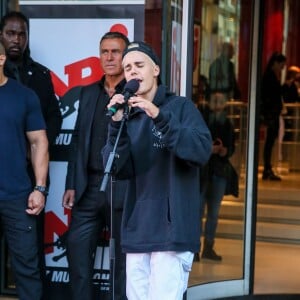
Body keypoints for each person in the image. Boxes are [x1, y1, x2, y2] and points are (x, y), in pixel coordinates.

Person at [102, 41, 212, 300]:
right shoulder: (126, 115)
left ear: (156, 70)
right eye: (128, 68)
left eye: (139, 65)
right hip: (137, 231)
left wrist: (158, 116)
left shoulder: (181, 107)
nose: (133, 72)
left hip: (171, 234)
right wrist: (116, 124)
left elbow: (200, 150)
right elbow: (116, 167)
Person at [62, 31, 129, 300]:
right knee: (77, 251)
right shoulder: (89, 92)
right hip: (88, 186)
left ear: (125, 57)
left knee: (123, 261)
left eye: (115, 51)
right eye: (105, 51)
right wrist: (70, 184)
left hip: (123, 186)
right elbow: (77, 139)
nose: (109, 57)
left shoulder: (134, 93)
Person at [0, 10, 62, 288]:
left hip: (24, 184)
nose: (17, 39)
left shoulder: (38, 77)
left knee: (28, 257)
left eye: (22, 34)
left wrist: (39, 185)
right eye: (11, 33)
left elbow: (50, 124)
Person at [0, 41, 49, 300]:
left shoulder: (23, 96)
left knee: (27, 271)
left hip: (17, 196)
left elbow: (39, 141)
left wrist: (40, 188)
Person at [195, 92, 238, 262]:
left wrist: (222, 150)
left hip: (219, 172)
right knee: (198, 211)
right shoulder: (201, 119)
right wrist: (208, 149)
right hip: (201, 171)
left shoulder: (227, 123)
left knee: (213, 213)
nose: (217, 103)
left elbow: (231, 148)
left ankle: (208, 247)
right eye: (215, 100)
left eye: (221, 101)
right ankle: (195, 248)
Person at [261, 52, 286, 180]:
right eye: (281, 65)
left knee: (270, 142)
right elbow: (269, 96)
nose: (282, 68)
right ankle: (267, 168)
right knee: (269, 142)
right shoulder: (270, 77)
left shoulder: (271, 76)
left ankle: (268, 168)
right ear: (276, 63)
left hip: (272, 114)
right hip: (271, 114)